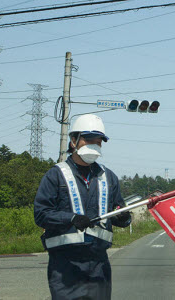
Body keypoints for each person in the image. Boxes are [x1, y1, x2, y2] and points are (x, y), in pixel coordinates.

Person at [34, 114, 131, 300]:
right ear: (73, 141)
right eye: (88, 140)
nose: (94, 145)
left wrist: (124, 218)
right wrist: (70, 218)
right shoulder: (56, 175)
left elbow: (122, 214)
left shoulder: (108, 177)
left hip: (99, 265)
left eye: (99, 141)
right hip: (65, 265)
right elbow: (41, 214)